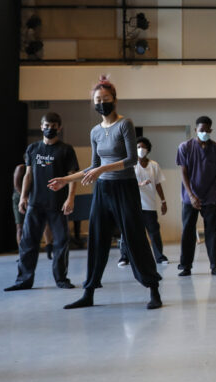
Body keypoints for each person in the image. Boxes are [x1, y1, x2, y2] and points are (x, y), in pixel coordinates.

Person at [47, 76, 162, 309]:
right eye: (97, 99)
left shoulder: (124, 124)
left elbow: (130, 160)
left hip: (124, 189)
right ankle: (88, 293)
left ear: (115, 100)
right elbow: (92, 166)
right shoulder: (95, 132)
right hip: (103, 190)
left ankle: (153, 290)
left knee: (135, 238)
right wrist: (65, 179)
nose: (101, 103)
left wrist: (102, 169)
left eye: (105, 99)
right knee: (96, 239)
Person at [4, 112, 79, 291]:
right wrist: (23, 196)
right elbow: (28, 174)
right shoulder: (33, 149)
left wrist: (70, 198)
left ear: (59, 128)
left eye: (53, 126)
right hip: (35, 204)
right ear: (41, 126)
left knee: (61, 242)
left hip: (57, 204)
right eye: (46, 125)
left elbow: (72, 177)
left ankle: (61, 279)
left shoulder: (66, 150)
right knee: (28, 243)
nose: (49, 129)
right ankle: (23, 280)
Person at [176, 116, 216, 276]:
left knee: (212, 231)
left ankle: (215, 265)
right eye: (201, 130)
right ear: (195, 130)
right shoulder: (185, 147)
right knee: (188, 231)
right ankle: (186, 266)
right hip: (190, 197)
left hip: (211, 196)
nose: (204, 133)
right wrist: (191, 196)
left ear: (211, 130)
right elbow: (183, 173)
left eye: (207, 130)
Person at [117, 137, 170, 267]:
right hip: (132, 204)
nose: (141, 149)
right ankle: (124, 257)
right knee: (127, 232)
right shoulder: (131, 165)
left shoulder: (154, 165)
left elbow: (158, 185)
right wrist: (140, 184)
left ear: (148, 149)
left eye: (143, 147)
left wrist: (163, 201)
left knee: (154, 232)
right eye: (138, 147)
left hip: (149, 205)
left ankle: (160, 256)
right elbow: (125, 184)